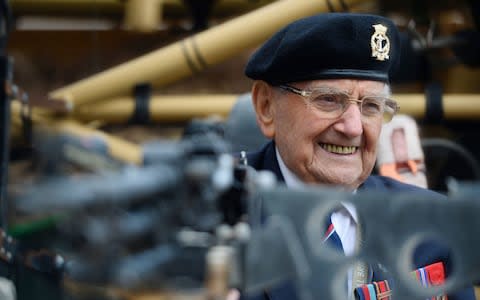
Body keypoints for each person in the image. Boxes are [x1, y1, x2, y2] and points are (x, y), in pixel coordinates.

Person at [240, 12, 476, 300]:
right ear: (266, 107)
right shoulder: (211, 219)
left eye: (372, 106)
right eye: (328, 99)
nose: (353, 128)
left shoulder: (434, 223)